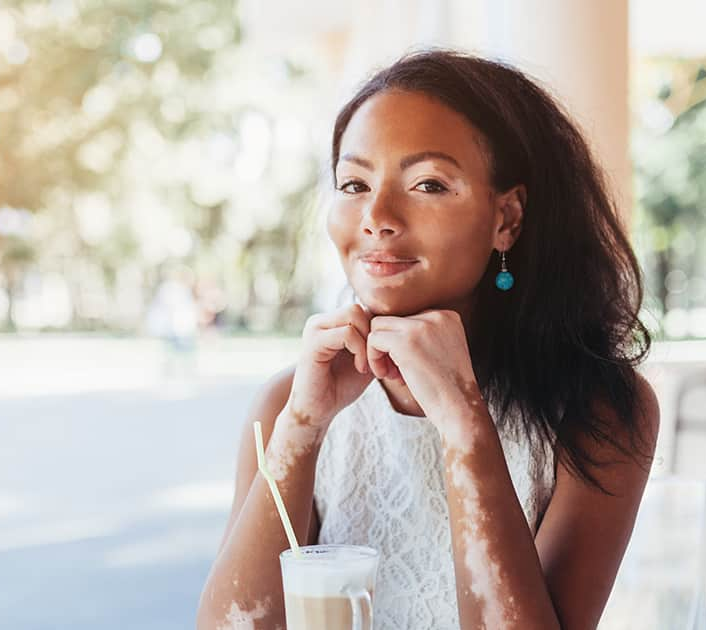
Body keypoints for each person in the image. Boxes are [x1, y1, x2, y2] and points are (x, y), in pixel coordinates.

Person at [197, 49, 659, 630]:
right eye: (354, 183)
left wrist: (463, 419)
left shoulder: (600, 413)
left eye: (428, 184)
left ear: (507, 218)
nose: (377, 216)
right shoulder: (285, 406)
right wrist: (302, 428)